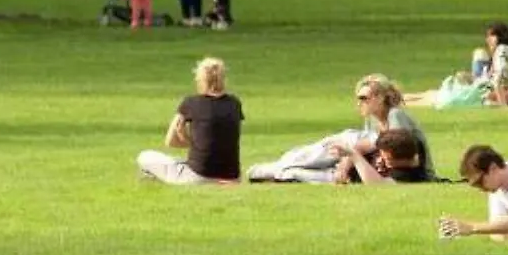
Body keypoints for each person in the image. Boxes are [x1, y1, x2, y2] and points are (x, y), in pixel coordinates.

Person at [245, 74, 435, 183]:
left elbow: (399, 150)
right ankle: (273, 167)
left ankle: (271, 170)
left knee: (344, 141)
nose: (359, 103)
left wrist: (349, 161)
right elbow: (365, 148)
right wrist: (348, 161)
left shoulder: (396, 116)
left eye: (364, 98)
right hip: (366, 166)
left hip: (390, 172)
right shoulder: (373, 120)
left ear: (381, 97)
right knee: (321, 152)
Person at [136, 57, 244, 184]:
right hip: (232, 177)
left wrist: (183, 136)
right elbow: (218, 143)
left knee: (145, 156)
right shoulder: (234, 103)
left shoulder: (191, 103)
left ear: (201, 80)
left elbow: (170, 141)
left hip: (198, 176)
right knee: (178, 161)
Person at [334, 128, 434, 185]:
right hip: (345, 154)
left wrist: (355, 156)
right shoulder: (409, 141)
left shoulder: (407, 175)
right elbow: (359, 147)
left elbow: (376, 184)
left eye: (387, 159)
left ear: (400, 160)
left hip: (344, 172)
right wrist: (343, 169)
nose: (380, 160)